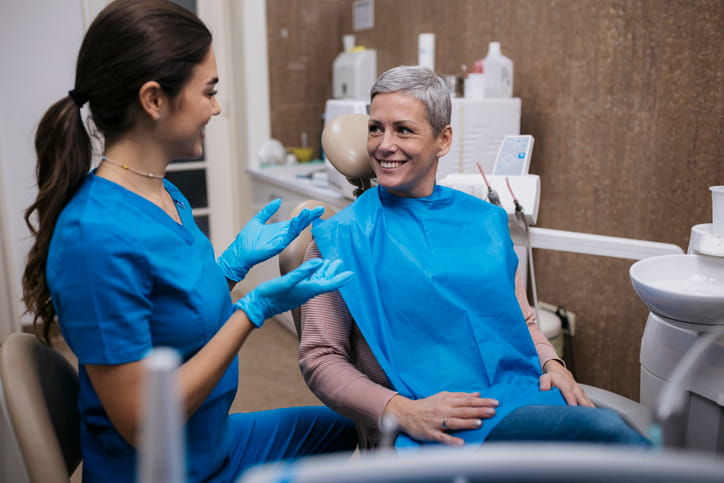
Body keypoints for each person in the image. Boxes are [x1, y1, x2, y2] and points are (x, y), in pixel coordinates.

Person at [21, 1, 357, 481]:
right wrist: (252, 312)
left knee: (358, 427)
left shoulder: (164, 192)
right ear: (154, 99)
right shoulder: (92, 237)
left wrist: (233, 267)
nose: (216, 108)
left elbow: (172, 311)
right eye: (209, 91)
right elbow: (141, 422)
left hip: (210, 440)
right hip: (162, 468)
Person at [298, 65, 651, 449]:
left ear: (443, 139)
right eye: (375, 128)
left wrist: (553, 363)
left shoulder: (487, 222)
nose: (384, 144)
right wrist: (397, 408)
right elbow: (320, 357)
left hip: (515, 391)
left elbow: (521, 319)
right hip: (432, 417)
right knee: (607, 436)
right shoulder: (341, 236)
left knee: (609, 442)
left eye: (404, 129)